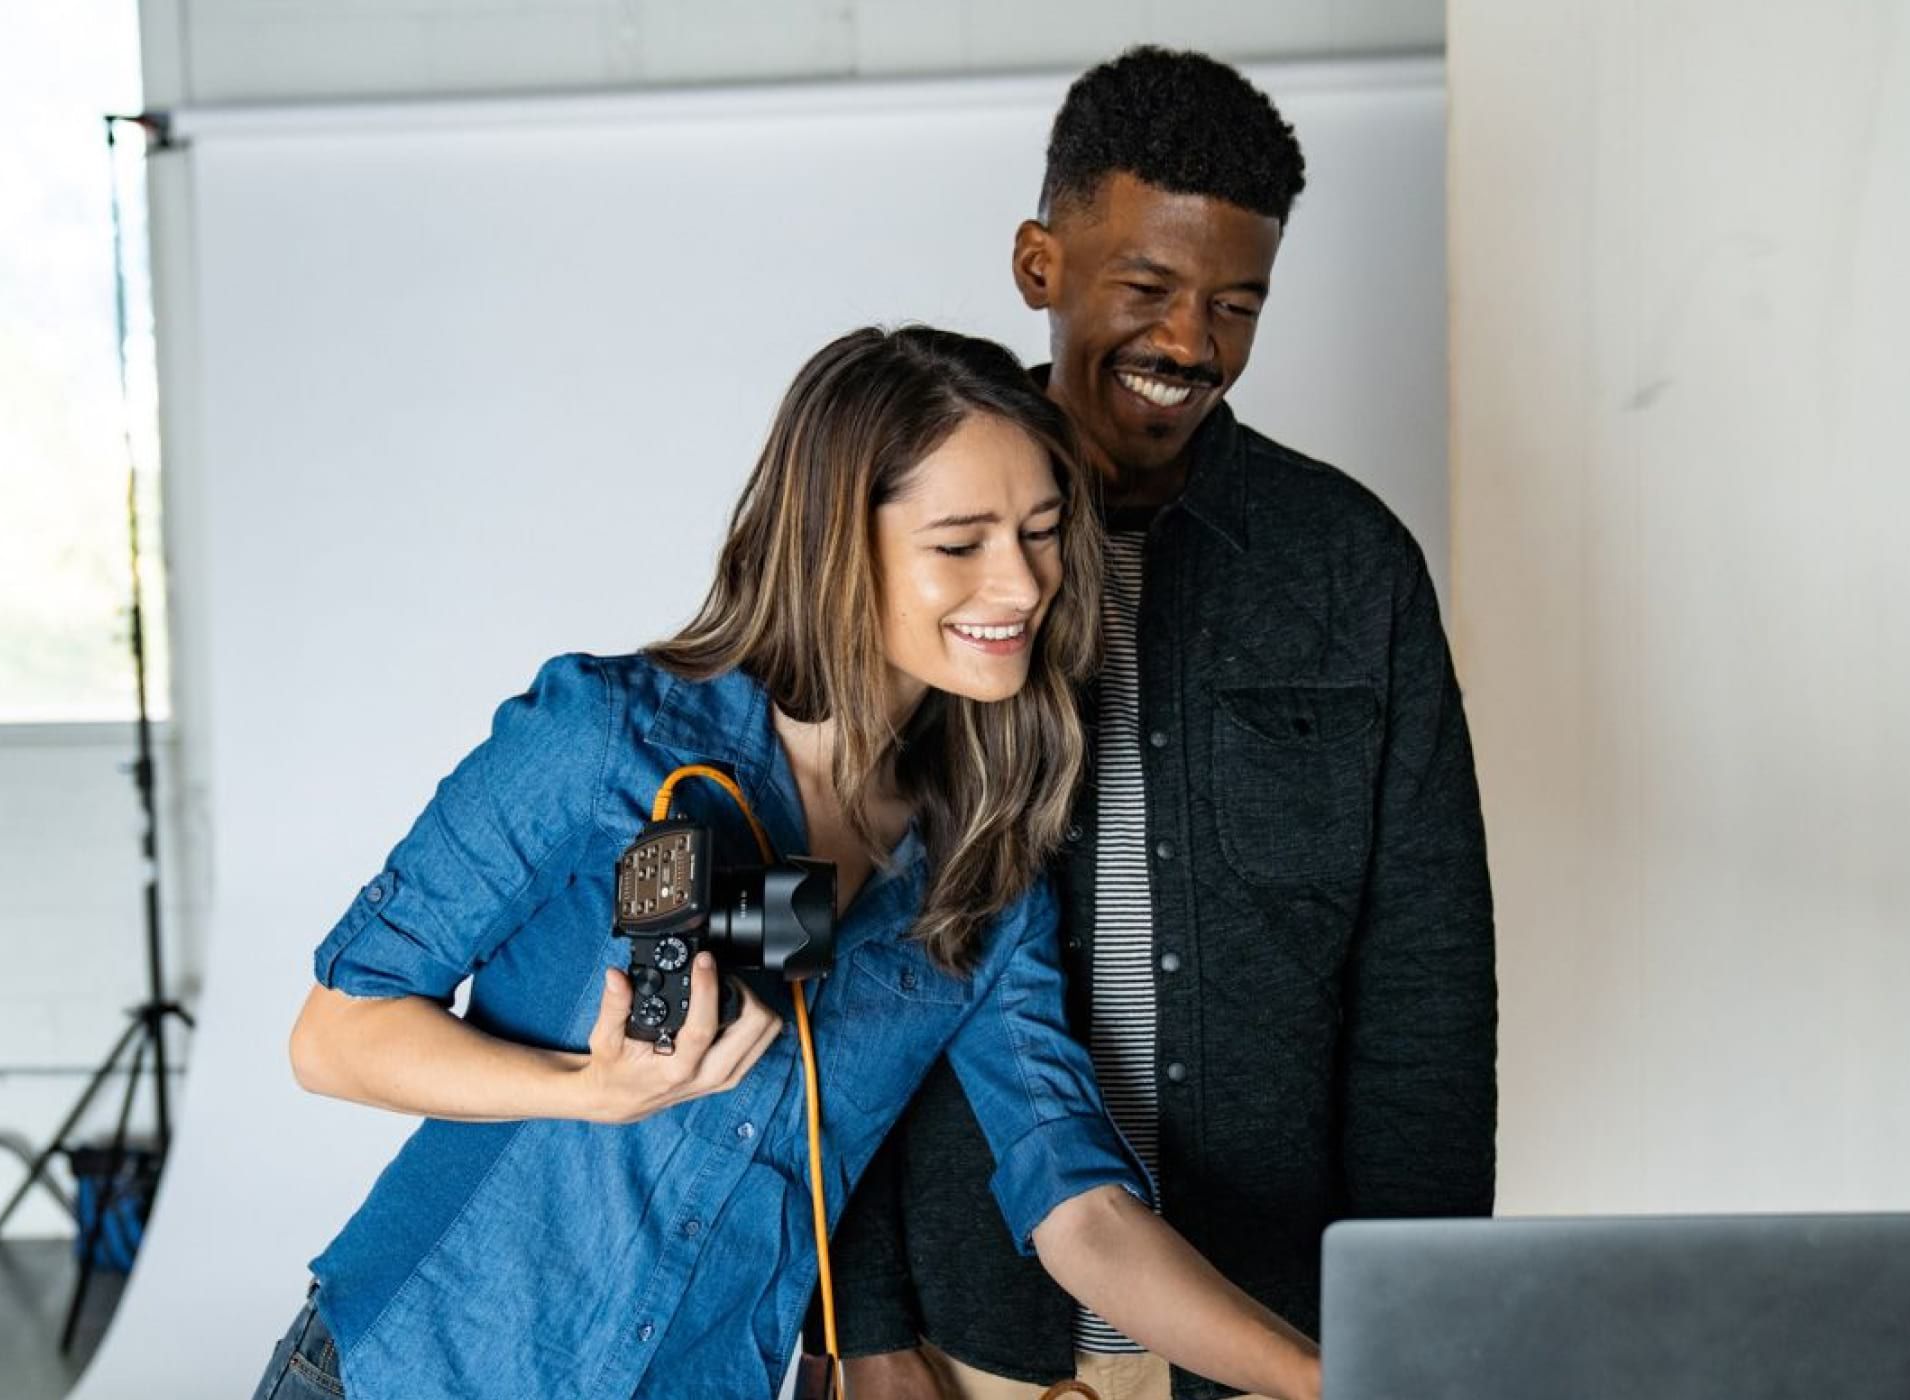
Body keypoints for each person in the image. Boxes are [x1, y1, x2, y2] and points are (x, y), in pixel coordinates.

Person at [252, 326, 1323, 1400]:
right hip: (411, 1367)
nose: (1023, 583)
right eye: (961, 543)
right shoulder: (603, 740)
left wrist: (1332, 1377)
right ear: (834, 542)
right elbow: (334, 1032)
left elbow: (1081, 1212)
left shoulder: (980, 876)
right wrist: (589, 1087)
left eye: (1042, 532)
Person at [834, 50, 1498, 1400]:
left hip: (1266, 1341)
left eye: (1236, 303)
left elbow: (1425, 996)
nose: (1191, 341)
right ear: (1040, 264)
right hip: (964, 1337)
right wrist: (864, 1323)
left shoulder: (1349, 567)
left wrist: (1415, 1334)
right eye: (1146, 288)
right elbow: (837, 978)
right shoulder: (912, 553)